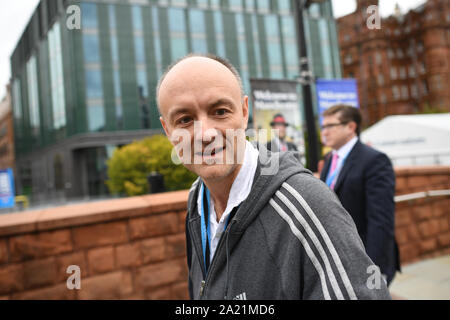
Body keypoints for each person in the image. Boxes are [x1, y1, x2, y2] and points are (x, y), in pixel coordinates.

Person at [157, 53, 391, 300]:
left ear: (245, 112)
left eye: (220, 111)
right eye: (184, 119)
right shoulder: (197, 198)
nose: (205, 134)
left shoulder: (308, 203)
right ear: (167, 129)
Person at [319, 104, 400, 286]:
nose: (324, 132)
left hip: (365, 259)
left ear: (351, 127)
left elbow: (381, 220)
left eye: (330, 126)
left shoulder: (375, 160)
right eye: (323, 127)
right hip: (338, 258)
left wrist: (373, 268)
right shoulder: (330, 159)